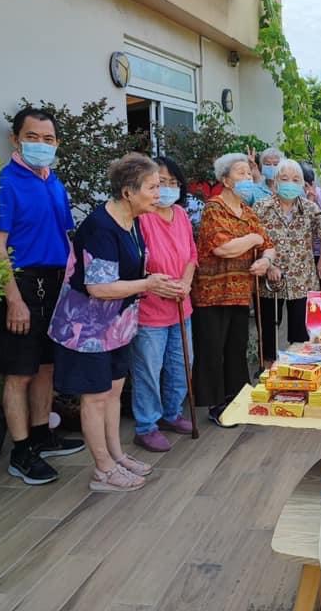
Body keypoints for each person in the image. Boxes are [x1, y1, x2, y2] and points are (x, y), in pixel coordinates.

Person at [50, 153, 182, 492]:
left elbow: (129, 273)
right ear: (128, 191)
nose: (159, 193)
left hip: (117, 325)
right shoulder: (100, 227)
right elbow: (99, 286)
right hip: (87, 330)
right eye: (152, 187)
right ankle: (102, 470)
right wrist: (149, 284)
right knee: (94, 397)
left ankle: (116, 455)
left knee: (113, 392)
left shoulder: (133, 221)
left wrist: (153, 279)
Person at [0, 107, 85, 486]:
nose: (41, 145)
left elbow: (66, 237)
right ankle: (22, 450)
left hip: (56, 283)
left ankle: (43, 433)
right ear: (16, 139)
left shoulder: (54, 182)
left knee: (46, 366)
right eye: (32, 137)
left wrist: (73, 289)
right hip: (22, 285)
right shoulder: (4, 184)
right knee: (19, 373)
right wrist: (13, 298)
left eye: (48, 139)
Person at [192, 152, 275, 426]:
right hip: (212, 293)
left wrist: (264, 260)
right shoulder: (214, 208)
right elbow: (223, 248)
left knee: (236, 349)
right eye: (241, 173)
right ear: (226, 180)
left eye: (249, 174)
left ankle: (237, 398)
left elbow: (269, 246)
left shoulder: (248, 212)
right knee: (213, 349)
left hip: (240, 292)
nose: (247, 178)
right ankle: (216, 405)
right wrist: (252, 239)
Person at [128, 157, 197, 453]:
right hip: (150, 308)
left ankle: (172, 413)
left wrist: (185, 282)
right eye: (159, 183)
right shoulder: (141, 218)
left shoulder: (180, 214)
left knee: (182, 364)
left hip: (182, 304)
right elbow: (132, 264)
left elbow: (192, 255)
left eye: (172, 183)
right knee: (148, 370)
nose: (166, 189)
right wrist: (161, 284)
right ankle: (146, 426)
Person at [255, 159, 321, 363]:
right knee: (269, 333)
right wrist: (267, 264)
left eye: (295, 179)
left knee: (300, 335)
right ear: (275, 181)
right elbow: (254, 240)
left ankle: (297, 370)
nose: (289, 183)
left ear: (302, 184)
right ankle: (268, 370)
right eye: (284, 179)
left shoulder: (310, 208)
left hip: (302, 280)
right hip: (270, 280)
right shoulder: (261, 207)